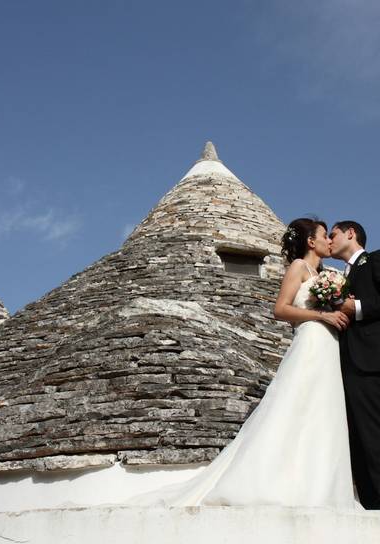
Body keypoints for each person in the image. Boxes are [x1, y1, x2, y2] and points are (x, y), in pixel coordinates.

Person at [129, 217, 355, 507]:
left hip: (329, 344)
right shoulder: (299, 267)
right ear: (311, 242)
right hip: (311, 339)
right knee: (297, 403)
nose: (329, 241)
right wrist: (321, 316)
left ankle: (320, 486)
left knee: (322, 409)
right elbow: (280, 309)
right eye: (325, 236)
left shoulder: (324, 273)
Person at [329, 220, 380, 510]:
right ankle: (368, 502)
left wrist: (356, 308)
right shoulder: (339, 277)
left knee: (376, 431)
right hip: (348, 362)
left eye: (333, 234)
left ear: (351, 233)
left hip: (373, 359)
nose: (329, 240)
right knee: (357, 435)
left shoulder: (377, 258)